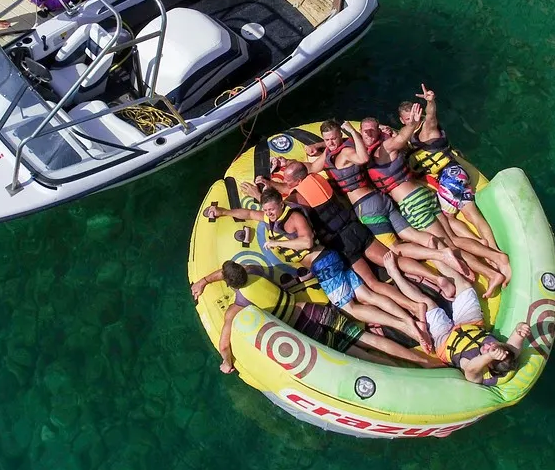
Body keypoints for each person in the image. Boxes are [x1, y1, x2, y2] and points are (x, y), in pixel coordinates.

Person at [201, 190, 434, 351]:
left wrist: (278, 243)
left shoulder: (292, 218)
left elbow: (307, 242)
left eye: (272, 209)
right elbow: (250, 214)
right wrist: (222, 212)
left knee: (351, 308)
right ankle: (410, 315)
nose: (269, 214)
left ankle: (406, 326)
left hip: (323, 263)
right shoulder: (272, 217)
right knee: (368, 295)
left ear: (281, 204)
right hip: (329, 261)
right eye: (267, 210)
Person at [248, 157, 462, 308]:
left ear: (295, 181)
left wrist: (260, 193)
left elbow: (277, 206)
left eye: (287, 180)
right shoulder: (319, 179)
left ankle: (416, 305)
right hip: (355, 227)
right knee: (391, 257)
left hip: (341, 242)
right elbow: (292, 184)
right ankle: (437, 278)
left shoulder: (298, 197)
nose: (285, 184)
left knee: (372, 283)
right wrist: (276, 176)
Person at [190, 261, 443, 373]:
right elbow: (229, 272)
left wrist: (226, 361)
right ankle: (425, 361)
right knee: (369, 340)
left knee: (364, 355)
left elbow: (225, 343)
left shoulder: (238, 308)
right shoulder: (255, 271)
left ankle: (405, 373)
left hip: (307, 331)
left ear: (232, 285)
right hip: (315, 311)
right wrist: (205, 280)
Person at [363, 110, 509, 295]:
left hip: (412, 203)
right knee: (452, 240)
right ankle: (493, 259)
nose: (368, 134)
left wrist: (412, 123)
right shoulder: (392, 149)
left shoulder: (384, 149)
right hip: (423, 195)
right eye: (365, 131)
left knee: (448, 246)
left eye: (371, 131)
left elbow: (400, 139)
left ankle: (492, 267)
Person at [384, 256, 530, 385]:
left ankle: (394, 274)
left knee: (426, 303)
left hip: (446, 341)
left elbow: (471, 370)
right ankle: (434, 256)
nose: (489, 345)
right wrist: (520, 328)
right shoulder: (508, 355)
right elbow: (515, 342)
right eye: (494, 345)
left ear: (488, 364)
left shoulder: (478, 374)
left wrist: (488, 356)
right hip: (472, 325)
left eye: (488, 350)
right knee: (465, 287)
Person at [399, 84, 505, 254]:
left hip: (449, 176)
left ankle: (481, 244)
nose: (413, 119)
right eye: (408, 118)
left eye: (415, 114)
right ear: (402, 121)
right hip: (457, 173)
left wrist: (431, 102)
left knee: (446, 217)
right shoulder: (409, 137)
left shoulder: (426, 129)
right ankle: (493, 247)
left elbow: (432, 117)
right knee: (473, 214)